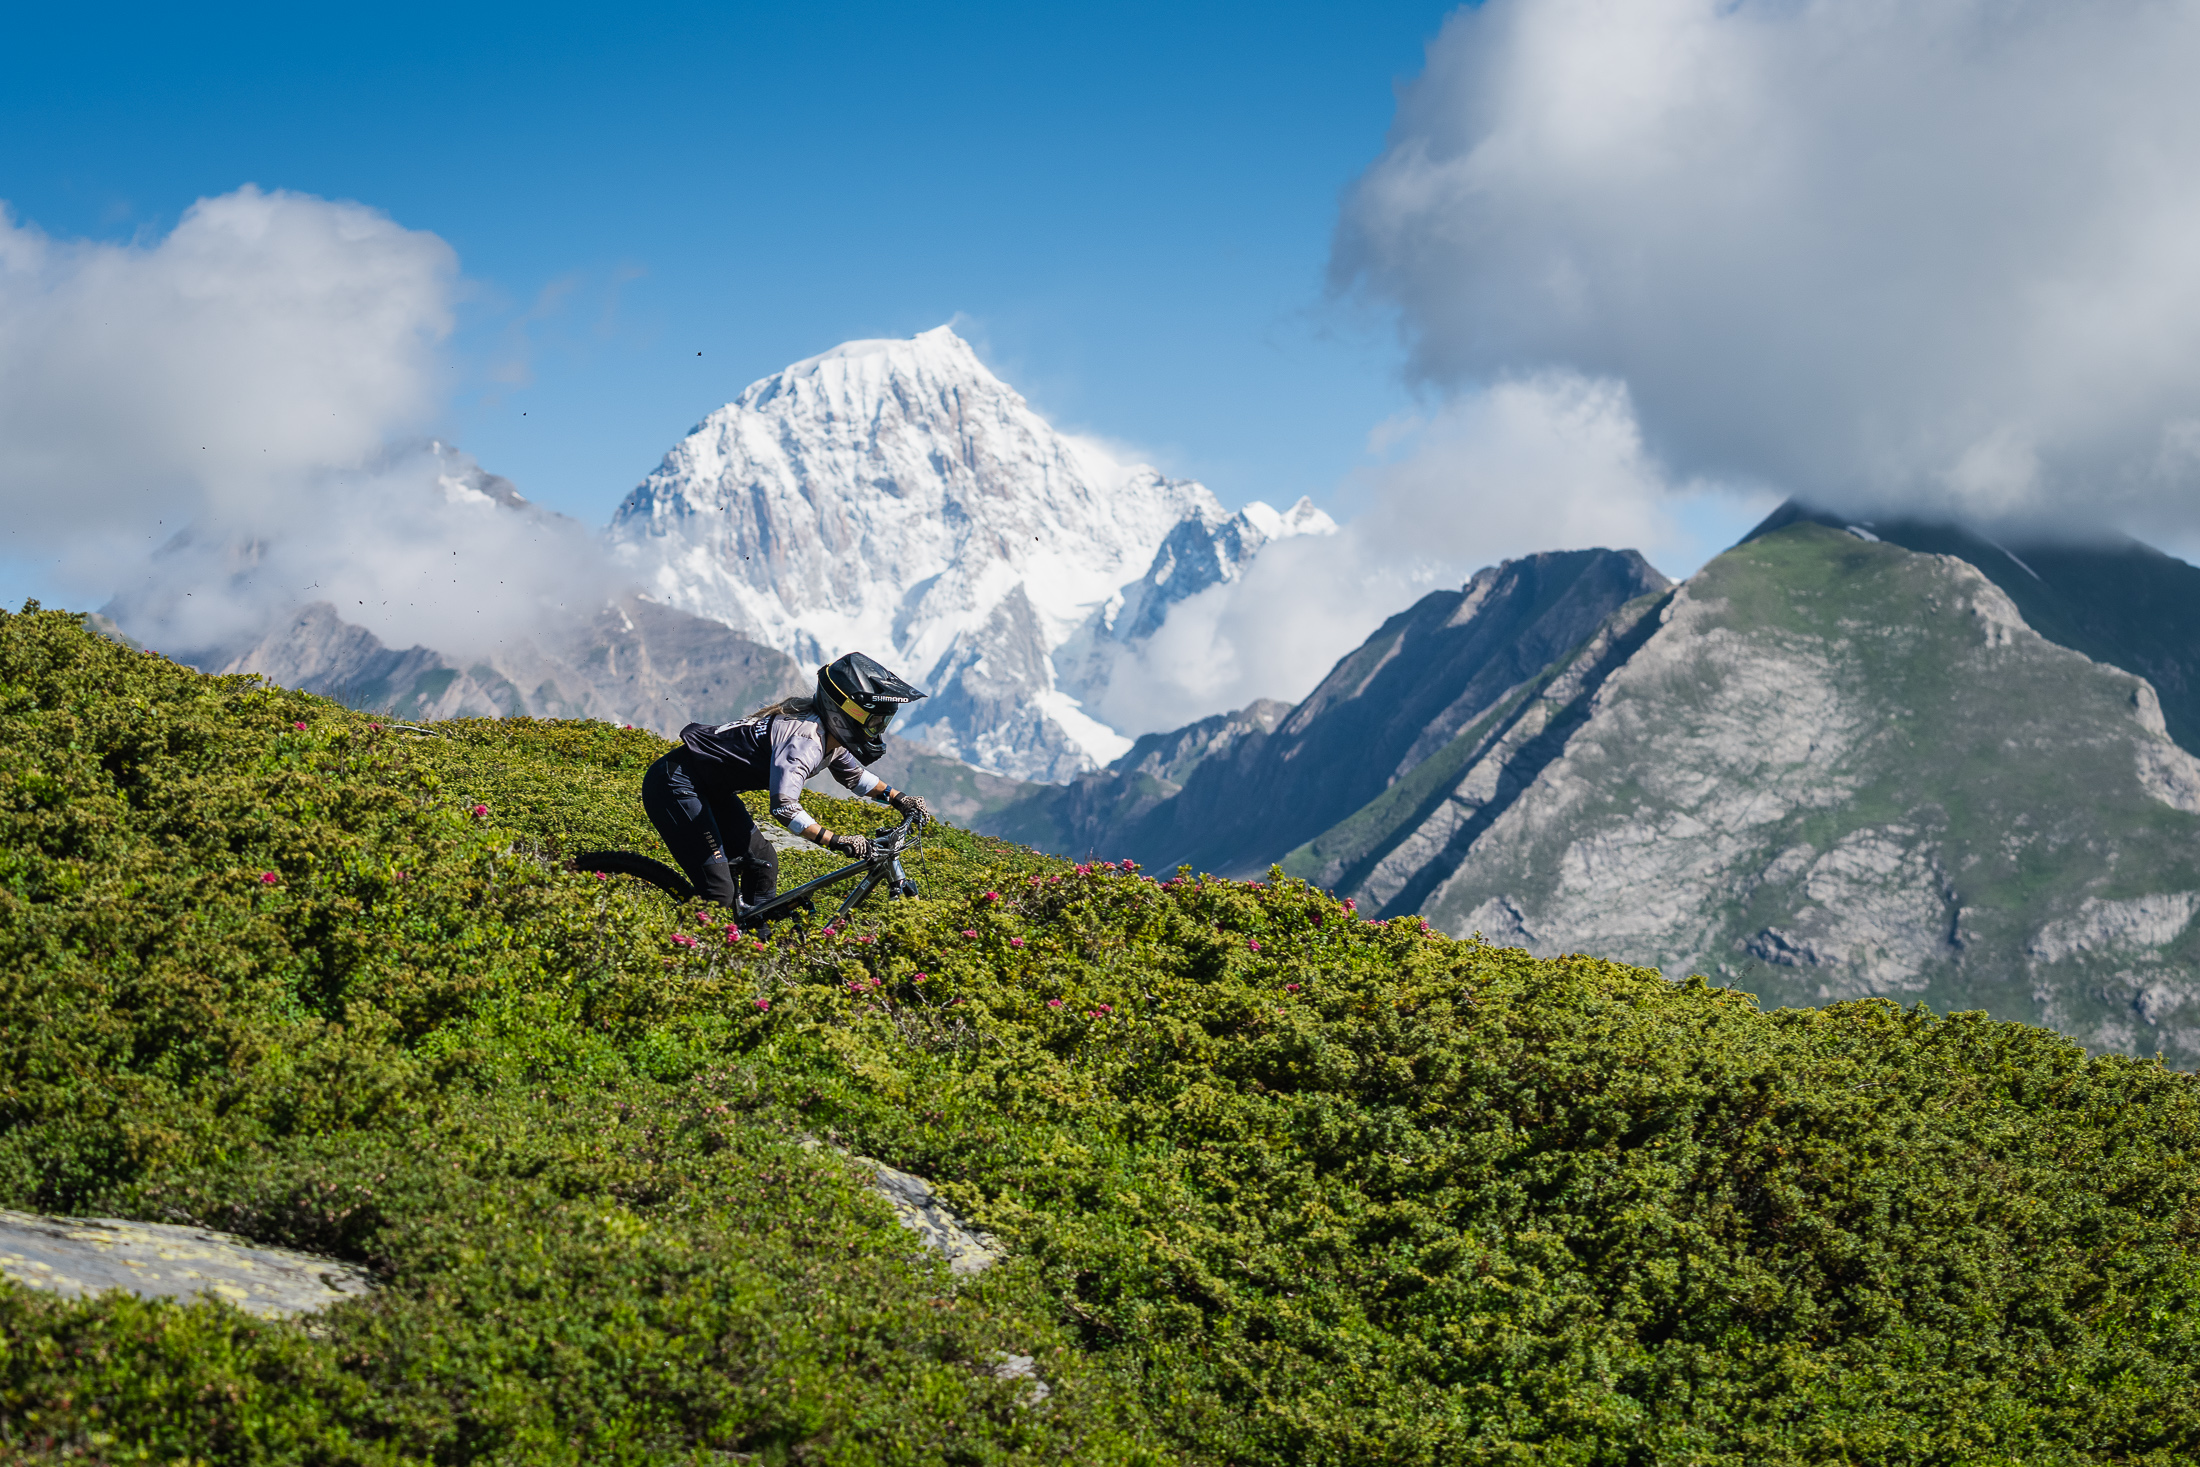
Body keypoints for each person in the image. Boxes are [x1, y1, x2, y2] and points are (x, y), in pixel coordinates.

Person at [640, 651, 935, 910]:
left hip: (709, 789)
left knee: (763, 864)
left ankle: (754, 946)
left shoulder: (827, 734)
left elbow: (856, 777)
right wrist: (837, 841)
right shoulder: (806, 740)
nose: (878, 730)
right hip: (675, 785)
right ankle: (681, 954)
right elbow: (784, 807)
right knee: (718, 893)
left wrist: (901, 799)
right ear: (848, 714)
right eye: (875, 721)